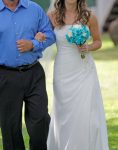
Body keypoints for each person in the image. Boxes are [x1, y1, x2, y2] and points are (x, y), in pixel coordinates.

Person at [0, 0, 55, 149]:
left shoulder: (34, 9)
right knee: (10, 129)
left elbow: (50, 35)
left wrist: (33, 44)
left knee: (41, 121)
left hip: (34, 73)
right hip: (5, 77)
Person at [35, 0, 109, 149]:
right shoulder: (52, 16)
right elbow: (44, 36)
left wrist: (87, 47)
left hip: (84, 71)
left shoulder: (89, 16)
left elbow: (98, 42)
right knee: (64, 113)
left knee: (84, 113)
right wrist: (40, 36)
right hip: (63, 70)